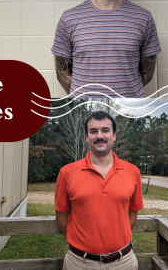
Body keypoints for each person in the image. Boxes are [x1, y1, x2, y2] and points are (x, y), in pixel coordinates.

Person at [52, 0, 161, 98]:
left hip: (130, 112)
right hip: (84, 111)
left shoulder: (143, 18)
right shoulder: (69, 19)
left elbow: (147, 72)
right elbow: (62, 73)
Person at [55, 111, 143, 269]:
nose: (99, 136)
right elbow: (61, 217)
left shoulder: (133, 172)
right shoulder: (67, 173)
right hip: (79, 263)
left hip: (123, 262)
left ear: (114, 135)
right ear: (86, 137)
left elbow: (132, 214)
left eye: (105, 130)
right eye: (93, 131)